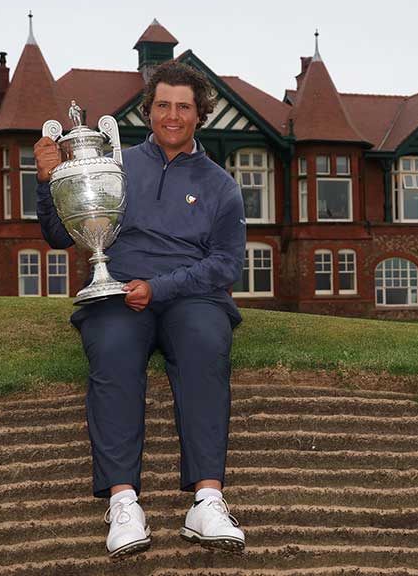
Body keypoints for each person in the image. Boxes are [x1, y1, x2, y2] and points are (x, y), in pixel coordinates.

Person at [34, 60, 247, 558]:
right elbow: (58, 234)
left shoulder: (221, 186)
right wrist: (47, 182)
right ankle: (124, 502)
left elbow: (225, 264)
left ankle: (208, 501)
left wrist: (160, 287)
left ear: (200, 116)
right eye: (163, 106)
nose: (172, 115)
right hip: (117, 290)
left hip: (191, 295)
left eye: (184, 107)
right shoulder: (113, 166)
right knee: (112, 352)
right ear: (148, 112)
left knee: (205, 348)